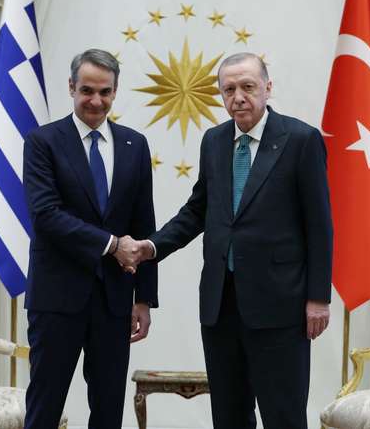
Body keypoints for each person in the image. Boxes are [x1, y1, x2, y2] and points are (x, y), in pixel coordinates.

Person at [126, 53, 332, 428]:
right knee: (229, 418)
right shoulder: (214, 141)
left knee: (283, 416)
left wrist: (318, 297)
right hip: (221, 305)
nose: (238, 97)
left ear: (267, 88)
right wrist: (151, 247)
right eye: (229, 89)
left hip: (280, 307)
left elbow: (320, 225)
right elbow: (196, 211)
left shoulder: (301, 140)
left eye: (248, 87)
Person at [22, 48, 158, 429]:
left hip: (114, 301)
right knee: (45, 406)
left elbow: (143, 223)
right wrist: (113, 245)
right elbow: (46, 216)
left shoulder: (135, 144)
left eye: (105, 92)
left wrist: (144, 299)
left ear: (115, 91)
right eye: (86, 91)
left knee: (109, 409)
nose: (96, 101)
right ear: (71, 87)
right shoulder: (42, 142)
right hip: (57, 299)